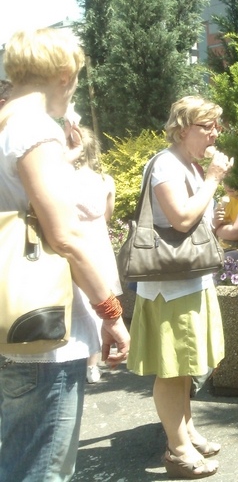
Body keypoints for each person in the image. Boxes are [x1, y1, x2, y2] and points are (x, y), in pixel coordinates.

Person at [0, 28, 130, 481]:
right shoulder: (36, 130)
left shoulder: (4, 124)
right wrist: (110, 312)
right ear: (62, 75)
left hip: (10, 319)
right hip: (43, 333)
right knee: (41, 468)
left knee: (16, 457)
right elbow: (66, 236)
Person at [126, 95, 232, 479]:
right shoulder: (166, 165)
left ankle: (186, 431)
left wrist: (211, 200)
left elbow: (194, 219)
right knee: (171, 370)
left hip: (189, 280)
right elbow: (182, 219)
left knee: (185, 365)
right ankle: (177, 448)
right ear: (183, 128)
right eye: (207, 127)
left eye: (217, 126)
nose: (215, 134)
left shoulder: (187, 164)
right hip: (169, 288)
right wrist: (213, 179)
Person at [64, 123, 121, 384]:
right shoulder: (106, 181)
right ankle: (93, 364)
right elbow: (107, 215)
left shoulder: (64, 178)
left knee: (75, 301)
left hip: (75, 240)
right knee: (99, 300)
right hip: (98, 242)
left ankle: (72, 358)